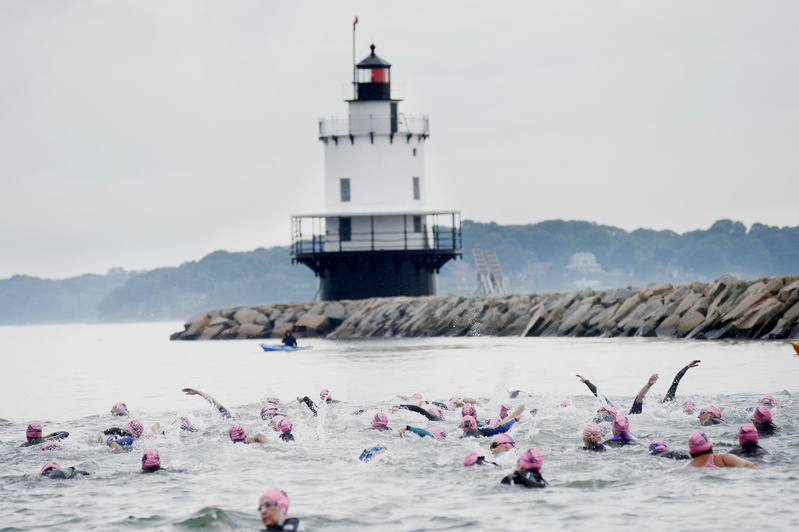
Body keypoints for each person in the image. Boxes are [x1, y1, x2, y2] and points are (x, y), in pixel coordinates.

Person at [687, 431, 758, 469]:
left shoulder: (687, 467)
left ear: (691, 453)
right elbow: (748, 466)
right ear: (711, 448)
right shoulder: (720, 459)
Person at [460, 405, 525, 439]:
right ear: (475, 424)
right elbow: (502, 429)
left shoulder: (461, 437)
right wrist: (515, 419)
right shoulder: (482, 430)